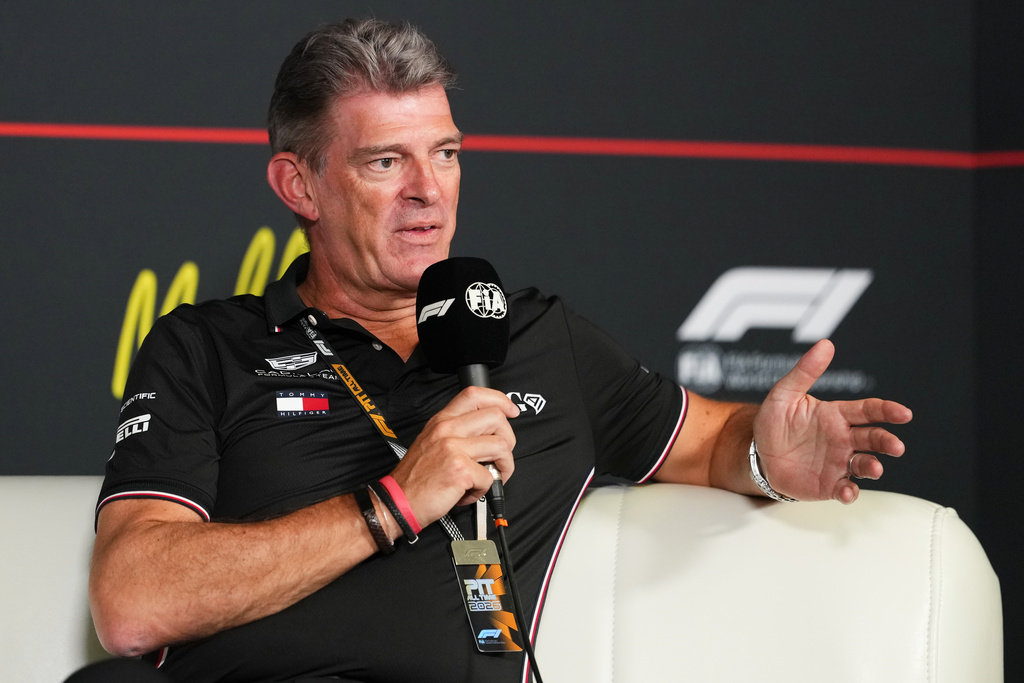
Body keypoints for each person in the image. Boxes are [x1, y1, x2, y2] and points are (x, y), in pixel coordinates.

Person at [87, 18, 912, 683]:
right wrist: (396, 502)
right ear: (299, 186)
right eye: (386, 160)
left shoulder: (534, 336)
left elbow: (709, 441)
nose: (429, 189)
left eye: (445, 153)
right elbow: (130, 602)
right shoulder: (206, 347)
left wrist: (766, 455)